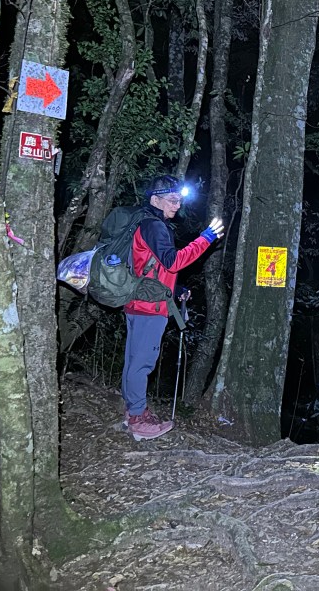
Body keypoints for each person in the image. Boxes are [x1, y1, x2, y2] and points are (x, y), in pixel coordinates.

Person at [122, 175, 224, 441]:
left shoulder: (145, 222)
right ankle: (137, 419)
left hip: (138, 301)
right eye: (172, 200)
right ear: (155, 200)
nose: (177, 206)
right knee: (142, 363)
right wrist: (205, 239)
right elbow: (174, 261)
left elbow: (152, 266)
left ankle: (132, 410)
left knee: (133, 361)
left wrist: (176, 290)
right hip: (149, 307)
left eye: (179, 201)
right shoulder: (154, 226)